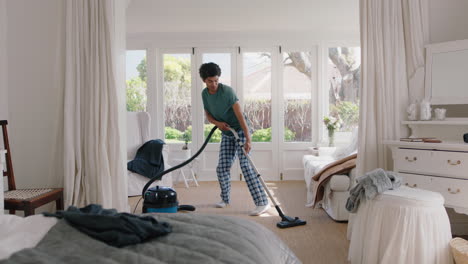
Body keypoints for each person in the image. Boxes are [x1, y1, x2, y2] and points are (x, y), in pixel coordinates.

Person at [199, 62, 270, 216]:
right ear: (204, 80)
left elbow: (240, 116)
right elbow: (208, 116)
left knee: (245, 165)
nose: (214, 84)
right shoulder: (204, 94)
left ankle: (262, 202)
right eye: (210, 81)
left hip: (241, 130)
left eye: (216, 80)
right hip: (227, 132)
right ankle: (225, 199)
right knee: (222, 167)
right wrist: (218, 124)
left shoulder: (227, 92)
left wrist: (248, 140)